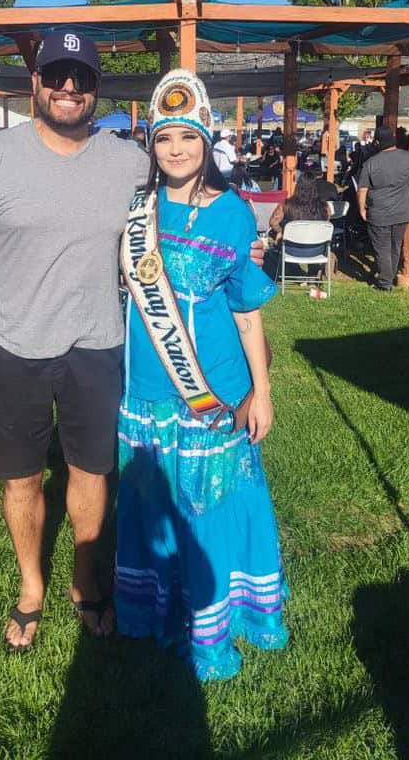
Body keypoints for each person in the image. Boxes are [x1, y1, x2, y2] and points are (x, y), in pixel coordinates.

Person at [0, 31, 266, 653]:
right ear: (35, 82)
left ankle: (86, 581)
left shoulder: (129, 162)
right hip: (12, 350)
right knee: (21, 480)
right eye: (56, 75)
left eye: (80, 78)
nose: (68, 88)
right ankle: (31, 587)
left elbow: (188, 203)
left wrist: (238, 236)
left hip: (98, 348)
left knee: (90, 472)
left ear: (95, 89)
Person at [116, 69, 289, 681]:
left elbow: (246, 313)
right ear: (152, 144)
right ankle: (159, 613)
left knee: (211, 507)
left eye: (188, 136)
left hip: (213, 390)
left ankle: (213, 626)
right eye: (164, 138)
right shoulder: (136, 210)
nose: (176, 150)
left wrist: (262, 392)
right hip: (145, 387)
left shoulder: (234, 213)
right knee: (153, 504)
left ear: (206, 140)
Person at [357, 126, 409, 290]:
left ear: (377, 142)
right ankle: (390, 275)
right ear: (394, 138)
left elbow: (362, 190)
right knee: (395, 246)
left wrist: (362, 209)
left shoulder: (371, 163)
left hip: (378, 213)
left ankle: (385, 282)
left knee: (382, 248)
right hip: (403, 212)